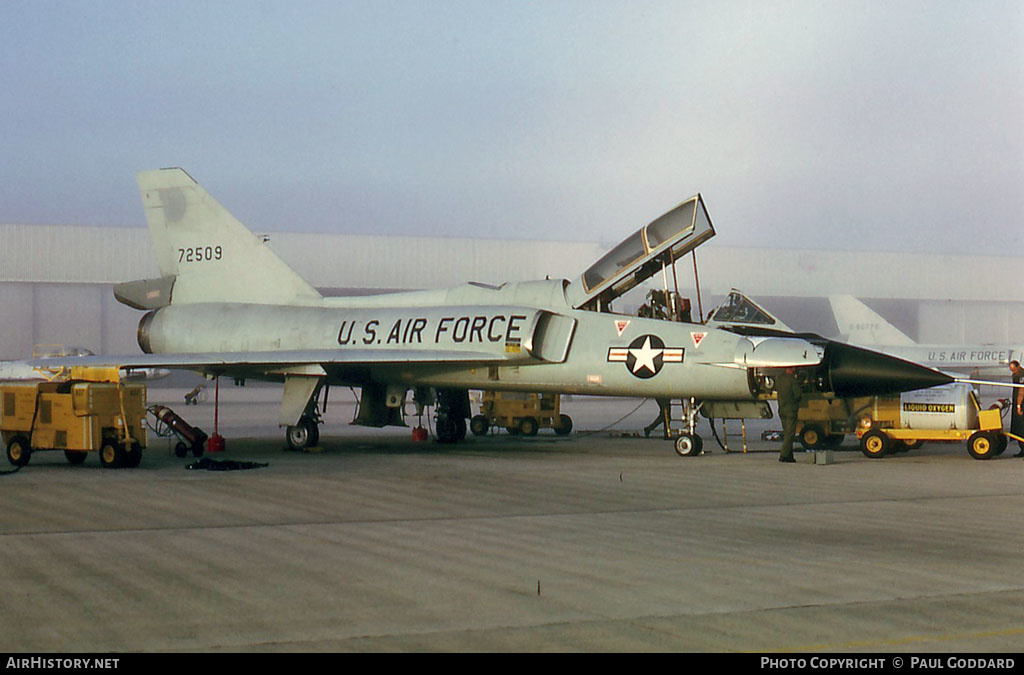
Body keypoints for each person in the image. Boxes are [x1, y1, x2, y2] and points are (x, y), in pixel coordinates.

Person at [775, 367, 803, 463]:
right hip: (791, 410)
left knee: (787, 433)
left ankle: (789, 456)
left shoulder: (779, 379)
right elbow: (797, 394)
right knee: (790, 434)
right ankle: (783, 454)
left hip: (782, 409)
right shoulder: (792, 380)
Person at [1010, 361, 1024, 457]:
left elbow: (1021, 391)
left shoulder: (1021, 375)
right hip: (1017, 402)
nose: (1013, 372)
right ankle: (1022, 450)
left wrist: (1019, 406)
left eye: (1014, 369)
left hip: (1021, 403)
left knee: (1020, 427)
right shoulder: (1016, 374)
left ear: (1018, 366)